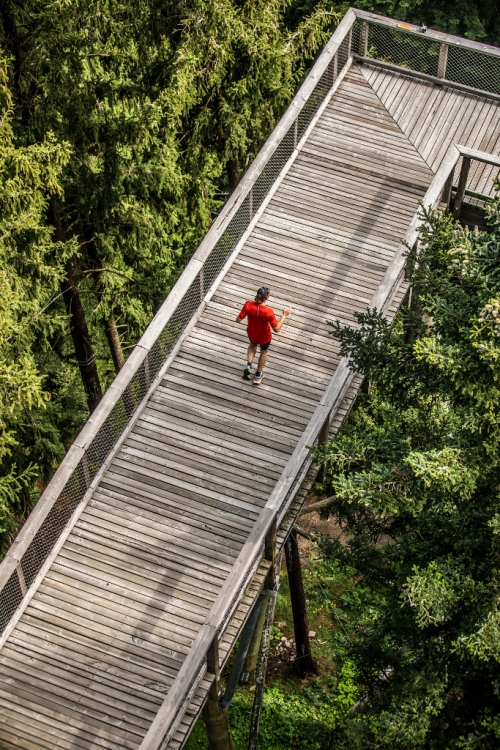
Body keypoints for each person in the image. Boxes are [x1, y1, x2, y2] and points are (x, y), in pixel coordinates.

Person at [236, 287, 292, 384]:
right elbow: (277, 329)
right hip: (264, 337)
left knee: (252, 346)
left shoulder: (248, 304)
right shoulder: (269, 311)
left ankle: (249, 365)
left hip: (252, 333)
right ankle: (258, 375)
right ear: (267, 297)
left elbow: (238, 320)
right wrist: (284, 315)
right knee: (263, 351)